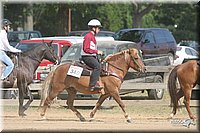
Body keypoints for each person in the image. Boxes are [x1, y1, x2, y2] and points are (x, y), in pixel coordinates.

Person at [81, 19, 104, 91]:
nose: (99, 30)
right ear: (93, 28)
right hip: (87, 56)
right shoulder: (88, 36)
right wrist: (96, 51)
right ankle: (92, 85)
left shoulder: (92, 36)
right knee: (97, 67)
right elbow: (86, 49)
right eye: (98, 28)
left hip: (91, 56)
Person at [0, 19, 21, 83]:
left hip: (3, 51)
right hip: (1, 52)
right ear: (4, 27)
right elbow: (8, 47)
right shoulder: (3, 34)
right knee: (11, 65)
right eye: (8, 26)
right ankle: (2, 78)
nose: (9, 27)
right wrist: (18, 51)